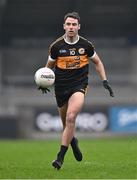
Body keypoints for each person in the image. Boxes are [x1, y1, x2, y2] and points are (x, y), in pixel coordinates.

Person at [39, 12, 114, 170]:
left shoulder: (86, 45)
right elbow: (48, 68)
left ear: (79, 26)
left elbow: (98, 62)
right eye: (68, 24)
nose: (71, 27)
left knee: (71, 117)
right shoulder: (56, 46)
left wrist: (104, 80)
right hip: (61, 88)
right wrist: (44, 82)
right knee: (66, 123)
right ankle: (73, 141)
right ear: (64, 26)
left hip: (79, 85)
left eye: (74, 24)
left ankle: (60, 158)